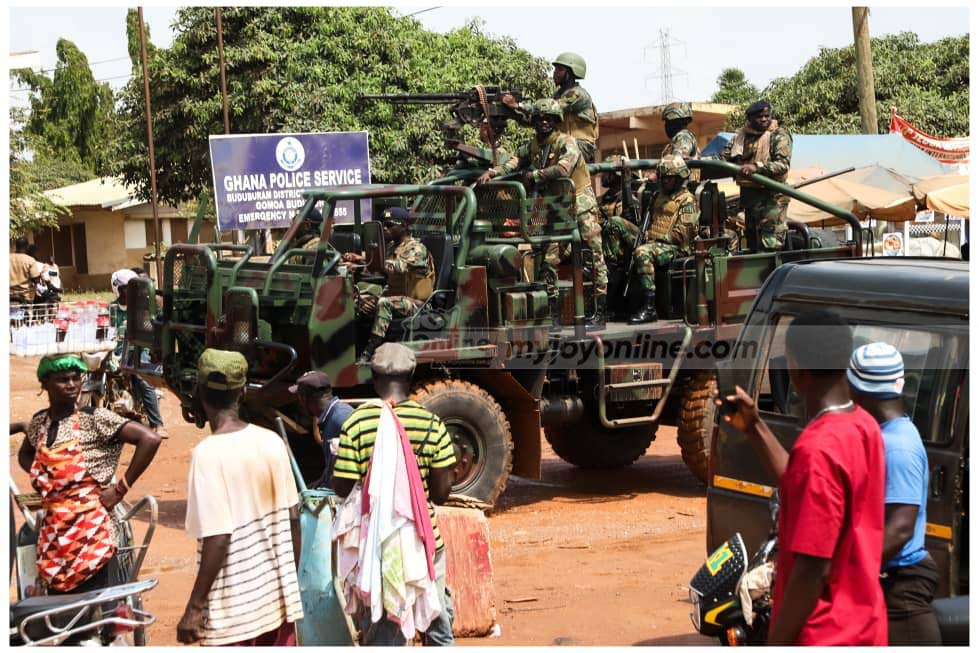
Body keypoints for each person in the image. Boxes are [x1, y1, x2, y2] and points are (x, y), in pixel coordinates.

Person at [717, 310, 887, 645]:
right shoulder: (862, 426)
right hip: (864, 626)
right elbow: (799, 481)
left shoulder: (819, 448)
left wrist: (776, 643)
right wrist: (754, 426)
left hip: (825, 635)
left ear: (794, 366)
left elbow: (812, 569)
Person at [332, 343, 456, 645]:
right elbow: (441, 493)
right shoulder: (431, 422)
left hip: (376, 544)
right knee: (438, 628)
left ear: (373, 379)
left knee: (382, 631)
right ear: (411, 377)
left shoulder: (357, 422)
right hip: (424, 544)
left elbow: (342, 487)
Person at [178, 348, 304, 646]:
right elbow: (294, 520)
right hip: (278, 604)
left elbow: (218, 537)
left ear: (198, 390)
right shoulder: (271, 441)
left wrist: (194, 608)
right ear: (244, 390)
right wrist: (288, 582)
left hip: (235, 615)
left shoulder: (208, 455)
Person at [17, 354, 161, 596]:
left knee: (97, 614)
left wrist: (120, 489)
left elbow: (150, 439)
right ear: (45, 384)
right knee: (60, 615)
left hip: (92, 534)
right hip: (53, 536)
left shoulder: (93, 419)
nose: (72, 385)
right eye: (63, 380)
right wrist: (45, 476)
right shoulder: (39, 423)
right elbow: (25, 453)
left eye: (76, 379)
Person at [479, 99, 609, 326]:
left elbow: (563, 168)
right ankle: (553, 312)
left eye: (549, 118)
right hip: (556, 206)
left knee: (594, 254)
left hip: (580, 201)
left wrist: (534, 176)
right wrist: (494, 172)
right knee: (548, 259)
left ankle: (601, 310)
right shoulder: (534, 145)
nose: (544, 122)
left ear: (557, 121)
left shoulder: (566, 142)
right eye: (539, 118)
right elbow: (515, 160)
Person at [848, 342, 941, 645]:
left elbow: (899, 529)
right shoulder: (887, 434)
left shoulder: (897, 446)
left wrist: (845, 570)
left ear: (860, 393)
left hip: (903, 588)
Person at [344, 207, 435, 363]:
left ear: (404, 225)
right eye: (384, 224)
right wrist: (356, 261)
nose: (385, 228)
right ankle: (353, 347)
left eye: (390, 224)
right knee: (358, 300)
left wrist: (366, 260)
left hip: (416, 303)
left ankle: (369, 351)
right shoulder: (393, 247)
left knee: (383, 303)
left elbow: (397, 266)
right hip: (396, 298)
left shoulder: (416, 248)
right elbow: (378, 262)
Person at [628, 155, 699, 324]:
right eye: (663, 178)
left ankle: (650, 307)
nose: (664, 182)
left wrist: (653, 237)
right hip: (654, 243)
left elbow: (682, 235)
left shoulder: (687, 200)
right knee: (615, 224)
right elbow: (647, 222)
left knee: (641, 252)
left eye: (668, 178)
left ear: (679, 178)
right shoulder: (657, 196)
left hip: (676, 248)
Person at [721, 100, 793, 251]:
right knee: (752, 239)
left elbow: (782, 165)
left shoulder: (778, 135)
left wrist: (756, 167)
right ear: (750, 119)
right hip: (750, 198)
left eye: (767, 116)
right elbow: (723, 158)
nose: (764, 119)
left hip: (772, 198)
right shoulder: (740, 137)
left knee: (770, 242)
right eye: (759, 117)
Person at [503, 52, 599, 163]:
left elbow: (548, 108)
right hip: (562, 143)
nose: (555, 73)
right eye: (555, 70)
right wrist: (513, 114)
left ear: (571, 73)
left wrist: (518, 105)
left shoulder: (578, 94)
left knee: (542, 157)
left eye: (560, 70)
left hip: (581, 146)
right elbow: (539, 120)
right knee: (525, 153)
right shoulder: (558, 95)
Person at [110, 269, 169, 439]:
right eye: (127, 288)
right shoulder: (112, 309)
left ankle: (157, 424)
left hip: (138, 350)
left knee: (142, 379)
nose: (130, 292)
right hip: (114, 351)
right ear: (118, 289)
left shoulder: (142, 310)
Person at [288, 370, 353, 488]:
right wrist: (317, 485)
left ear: (303, 398)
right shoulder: (331, 416)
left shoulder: (340, 419)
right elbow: (331, 469)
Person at [10, 236, 43, 305]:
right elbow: (36, 279)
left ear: (16, 246)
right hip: (25, 296)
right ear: (27, 247)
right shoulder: (30, 260)